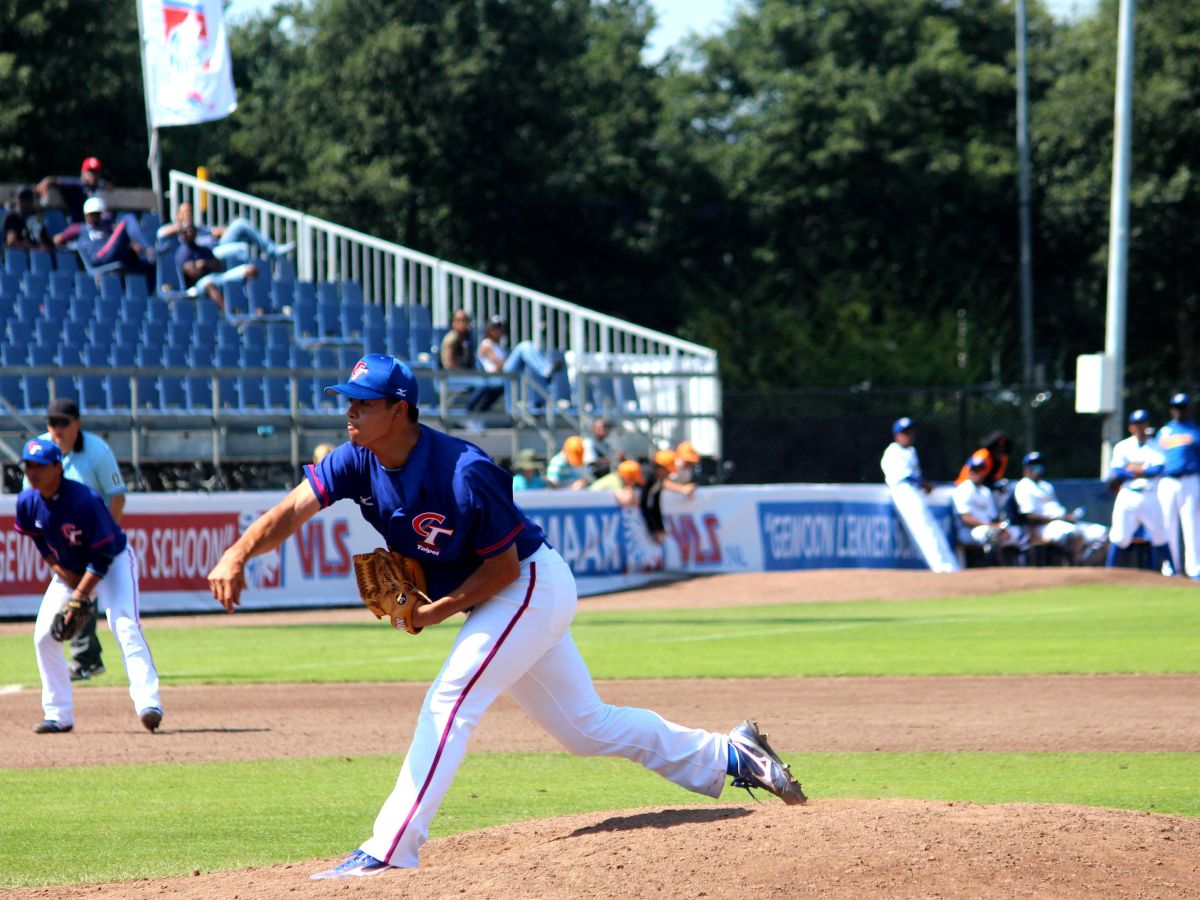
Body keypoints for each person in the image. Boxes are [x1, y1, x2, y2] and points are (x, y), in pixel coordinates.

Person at [205, 353, 805, 880]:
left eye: (362, 404)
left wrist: (439, 609)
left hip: (528, 585)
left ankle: (390, 847)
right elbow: (292, 510)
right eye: (349, 402)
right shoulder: (354, 460)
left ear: (400, 410)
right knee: (586, 729)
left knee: (450, 699)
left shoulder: (464, 472)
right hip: (504, 592)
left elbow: (504, 572)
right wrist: (237, 553)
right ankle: (733, 754)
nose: (350, 414)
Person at [15, 438, 163, 734]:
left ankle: (149, 703)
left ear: (58, 467)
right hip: (70, 569)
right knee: (44, 637)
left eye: (40, 466)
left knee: (124, 625)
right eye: (28, 465)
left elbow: (104, 553)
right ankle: (58, 714)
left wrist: (80, 594)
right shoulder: (28, 501)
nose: (33, 472)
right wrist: (61, 572)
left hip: (114, 563)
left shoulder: (85, 500)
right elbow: (37, 537)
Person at [22, 399, 128, 682]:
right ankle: (86, 659)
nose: (57, 428)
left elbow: (117, 495)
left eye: (63, 423)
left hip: (97, 537)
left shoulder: (97, 451)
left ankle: (85, 658)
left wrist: (105, 534)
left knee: (90, 599)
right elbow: (32, 503)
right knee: (73, 600)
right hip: (64, 540)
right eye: (52, 422)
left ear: (77, 424)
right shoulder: (39, 451)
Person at [880, 417, 960, 573]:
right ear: (896, 435)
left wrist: (925, 484)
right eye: (904, 433)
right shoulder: (893, 450)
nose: (908, 435)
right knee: (923, 529)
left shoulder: (911, 451)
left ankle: (951, 565)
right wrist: (926, 483)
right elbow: (908, 476)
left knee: (931, 527)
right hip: (903, 490)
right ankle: (940, 567)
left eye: (910, 432)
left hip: (914, 491)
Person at [1013, 451, 1108, 566]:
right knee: (1072, 534)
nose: (1036, 467)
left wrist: (1068, 517)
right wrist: (1059, 518)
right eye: (1033, 464)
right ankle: (1073, 570)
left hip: (1063, 523)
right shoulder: (1024, 486)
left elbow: (1055, 510)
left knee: (1101, 533)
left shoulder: (1046, 486)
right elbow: (1029, 517)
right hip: (1044, 527)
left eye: (1039, 463)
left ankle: (1084, 566)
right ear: (1025, 468)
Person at [1106, 409, 1172, 571]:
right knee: (1119, 536)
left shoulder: (1156, 445)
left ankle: (1173, 572)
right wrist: (1142, 470)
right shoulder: (1123, 446)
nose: (1140, 427)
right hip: (1128, 495)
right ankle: (1109, 572)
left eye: (1142, 423)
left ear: (1147, 425)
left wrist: (1132, 470)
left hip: (1150, 495)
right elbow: (1118, 472)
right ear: (1131, 427)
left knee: (1160, 535)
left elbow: (1156, 470)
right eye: (1136, 424)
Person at [1155, 393, 1200, 579]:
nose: (1178, 411)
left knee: (1192, 525)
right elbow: (1155, 458)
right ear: (1171, 409)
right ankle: (1170, 568)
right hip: (1167, 481)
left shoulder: (1195, 431)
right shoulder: (1163, 432)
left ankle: (1195, 569)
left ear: (1187, 409)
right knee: (1167, 524)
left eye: (1181, 407)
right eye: (1175, 407)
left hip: (1190, 480)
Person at [57, 196, 155, 281]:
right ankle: (148, 248)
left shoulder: (107, 226)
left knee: (149, 264)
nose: (95, 217)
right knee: (127, 219)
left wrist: (133, 245)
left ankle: (149, 255)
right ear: (86, 214)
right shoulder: (78, 228)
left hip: (114, 255)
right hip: (99, 255)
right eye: (93, 214)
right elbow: (57, 240)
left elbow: (117, 238)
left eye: (98, 214)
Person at [156, 201, 293, 259]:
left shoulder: (199, 227)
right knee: (242, 249)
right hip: (207, 253)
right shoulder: (175, 229)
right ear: (178, 215)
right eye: (184, 211)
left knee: (240, 224)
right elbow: (161, 233)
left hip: (218, 244)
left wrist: (220, 232)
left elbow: (217, 231)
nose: (187, 214)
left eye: (189, 211)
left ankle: (271, 249)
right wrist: (183, 226)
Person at [950, 455, 1023, 562]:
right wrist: (992, 526)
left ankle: (1011, 569)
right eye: (975, 470)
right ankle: (987, 568)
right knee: (989, 534)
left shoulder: (985, 491)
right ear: (969, 471)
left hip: (988, 527)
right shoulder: (963, 489)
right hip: (969, 530)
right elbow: (966, 519)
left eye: (980, 470)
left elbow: (993, 516)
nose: (977, 474)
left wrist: (1000, 527)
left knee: (1015, 532)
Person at [176, 221, 259, 311]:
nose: (190, 232)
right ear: (181, 235)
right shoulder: (182, 253)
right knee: (208, 283)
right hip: (197, 287)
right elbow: (194, 274)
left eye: (192, 230)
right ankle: (228, 314)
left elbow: (219, 266)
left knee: (250, 270)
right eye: (187, 231)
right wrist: (206, 265)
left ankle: (256, 308)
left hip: (217, 277)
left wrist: (204, 264)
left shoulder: (204, 250)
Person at [640, 449, 697, 546]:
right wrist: (653, 529)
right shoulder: (648, 476)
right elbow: (644, 504)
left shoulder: (658, 479)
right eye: (667, 470)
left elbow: (655, 504)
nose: (668, 474)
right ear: (660, 468)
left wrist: (660, 527)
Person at [37, 156, 110, 224]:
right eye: (91, 171)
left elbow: (107, 185)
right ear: (83, 172)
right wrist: (47, 182)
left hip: (98, 227)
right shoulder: (76, 185)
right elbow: (55, 181)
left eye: (96, 172)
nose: (94, 175)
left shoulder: (100, 186)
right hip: (78, 226)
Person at [467, 315, 508, 413]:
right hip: (491, 377)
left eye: (499, 328)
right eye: (494, 328)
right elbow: (500, 364)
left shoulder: (498, 346)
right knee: (524, 348)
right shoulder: (486, 344)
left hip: (501, 376)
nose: (497, 331)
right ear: (488, 329)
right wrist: (502, 365)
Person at [4, 185, 54, 249]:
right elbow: (11, 242)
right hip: (18, 256)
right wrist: (35, 248)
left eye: (28, 199)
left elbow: (47, 241)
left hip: (37, 256)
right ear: (18, 200)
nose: (26, 202)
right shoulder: (13, 218)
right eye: (23, 199)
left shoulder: (36, 218)